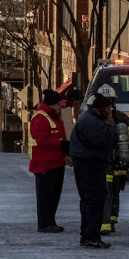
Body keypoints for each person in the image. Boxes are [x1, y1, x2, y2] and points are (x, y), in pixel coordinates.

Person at [69, 93, 115, 249]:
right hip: (90, 166)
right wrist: (110, 127)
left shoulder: (90, 119)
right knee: (93, 201)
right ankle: (91, 236)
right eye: (108, 108)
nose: (110, 111)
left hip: (87, 164)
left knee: (90, 201)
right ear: (99, 109)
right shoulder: (92, 123)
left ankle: (88, 236)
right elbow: (102, 141)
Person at [97, 84, 129, 236]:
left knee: (111, 190)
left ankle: (108, 221)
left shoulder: (118, 117)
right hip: (115, 160)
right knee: (112, 191)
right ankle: (110, 221)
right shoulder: (121, 117)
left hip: (113, 160)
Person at [28, 89, 69, 233]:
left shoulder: (54, 117)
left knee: (54, 195)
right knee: (46, 196)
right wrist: (62, 144)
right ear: (52, 105)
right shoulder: (41, 118)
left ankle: (50, 221)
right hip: (45, 164)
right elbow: (42, 139)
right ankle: (45, 223)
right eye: (59, 105)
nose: (60, 108)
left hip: (56, 162)